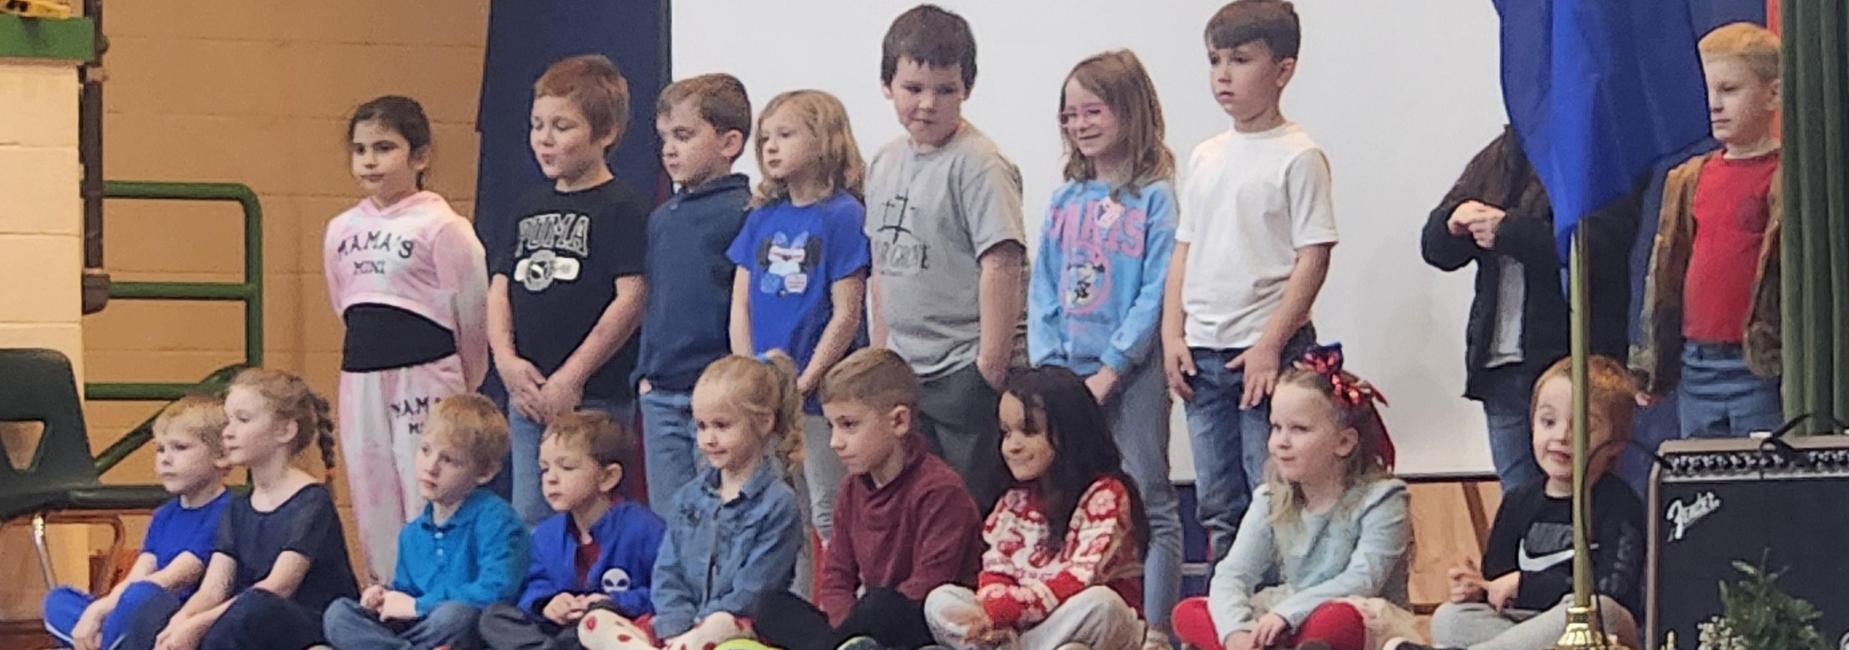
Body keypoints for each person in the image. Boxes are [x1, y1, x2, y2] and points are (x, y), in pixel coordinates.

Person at [1162, 0, 1332, 567]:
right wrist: (1171, 335)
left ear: (1283, 70)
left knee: (1275, 494)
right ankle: (1225, 611)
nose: (1224, 75)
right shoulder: (1207, 155)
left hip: (1262, 353)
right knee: (1217, 500)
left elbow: (1313, 256)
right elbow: (1184, 248)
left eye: (1240, 59)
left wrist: (1269, 344)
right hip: (1202, 351)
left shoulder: (1298, 155)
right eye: (1215, 60)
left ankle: (1275, 608)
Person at [1028, 48, 1183, 647]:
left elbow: (1155, 290)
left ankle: (1160, 629)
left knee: (1148, 494)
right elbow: (1043, 283)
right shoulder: (1066, 199)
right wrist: (1049, 369)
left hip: (1132, 372)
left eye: (1094, 110)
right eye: (1069, 115)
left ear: (1131, 112)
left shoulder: (1156, 198)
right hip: (1067, 371)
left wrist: (1114, 368)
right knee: (1068, 493)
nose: (1080, 124)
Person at [864, 4, 1027, 510]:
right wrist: (881, 358)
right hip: (907, 372)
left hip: (963, 369)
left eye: (945, 90)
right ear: (888, 84)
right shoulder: (884, 161)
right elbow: (881, 267)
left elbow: (1001, 264)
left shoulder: (979, 164)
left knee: (970, 508)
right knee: (918, 512)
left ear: (966, 90)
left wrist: (989, 369)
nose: (928, 104)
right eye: (914, 88)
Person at [325, 94, 489, 579]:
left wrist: (461, 383)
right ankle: (388, 590)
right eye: (360, 150)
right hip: (362, 379)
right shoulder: (340, 229)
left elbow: (472, 312)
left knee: (427, 483)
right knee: (371, 487)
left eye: (384, 147)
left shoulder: (443, 227)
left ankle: (439, 593)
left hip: (426, 375)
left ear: (419, 157)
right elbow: (345, 302)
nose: (370, 160)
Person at [1421, 126, 1637, 491]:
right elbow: (1435, 248)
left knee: (1583, 494)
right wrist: (1451, 223)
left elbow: (1599, 244)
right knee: (1519, 500)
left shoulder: (1599, 149)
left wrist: (1509, 230)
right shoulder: (1504, 151)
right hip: (1500, 365)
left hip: (1566, 362)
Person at [490, 54, 652, 525]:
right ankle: (543, 599)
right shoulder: (527, 207)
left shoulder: (623, 207)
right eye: (537, 124)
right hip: (529, 392)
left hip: (593, 393)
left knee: (594, 513)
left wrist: (573, 376)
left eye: (561, 126)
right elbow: (500, 287)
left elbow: (631, 298)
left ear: (605, 134)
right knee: (532, 514)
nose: (544, 138)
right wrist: (507, 362)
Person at [1385, 356, 1644, 650]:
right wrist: (1477, 590)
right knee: (1450, 618)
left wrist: (1526, 585)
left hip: (1588, 628)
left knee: (1599, 611)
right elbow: (1498, 581)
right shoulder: (1520, 500)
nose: (1561, 436)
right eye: (1548, 421)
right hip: (1525, 628)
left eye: (1582, 426)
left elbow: (1614, 588)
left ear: (1616, 443)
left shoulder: (1620, 502)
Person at [1171, 346, 1417, 650]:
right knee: (1190, 612)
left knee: (1336, 620)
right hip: (1286, 616)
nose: (1280, 443)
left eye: (1298, 429)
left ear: (1343, 442)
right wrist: (1237, 634)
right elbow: (1232, 574)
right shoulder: (1270, 498)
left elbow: (1362, 580)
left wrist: (1289, 614)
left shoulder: (1383, 498)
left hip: (1356, 616)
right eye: (1276, 428)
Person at [749, 348, 984, 650]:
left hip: (917, 623)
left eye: (849, 425)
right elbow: (836, 578)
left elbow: (927, 586)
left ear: (898, 421)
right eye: (832, 426)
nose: (835, 442)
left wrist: (855, 624)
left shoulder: (940, 490)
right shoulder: (851, 489)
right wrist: (847, 629)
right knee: (769, 606)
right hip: (862, 625)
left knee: (882, 603)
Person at [727, 88, 871, 548]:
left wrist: (806, 380)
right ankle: (793, 609)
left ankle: (837, 611)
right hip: (766, 395)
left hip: (816, 393)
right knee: (783, 514)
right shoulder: (762, 217)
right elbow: (741, 305)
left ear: (825, 141)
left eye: (785, 135)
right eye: (765, 137)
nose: (770, 146)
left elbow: (846, 312)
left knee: (826, 507)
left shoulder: (843, 215)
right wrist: (748, 375)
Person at [124, 370, 358, 650]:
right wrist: (180, 622)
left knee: (251, 606)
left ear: (285, 430)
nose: (228, 431)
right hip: (245, 618)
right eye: (228, 420)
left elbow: (279, 587)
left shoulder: (312, 501)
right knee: (153, 607)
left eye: (243, 420)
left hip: (303, 622)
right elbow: (214, 590)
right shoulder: (238, 506)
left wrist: (200, 625)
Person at [923, 366, 1150, 650]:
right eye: (1006, 433)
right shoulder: (1012, 499)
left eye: (1028, 431)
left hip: (1083, 620)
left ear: (1069, 433)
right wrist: (993, 607)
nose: (1012, 446)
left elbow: (1079, 579)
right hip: (1021, 625)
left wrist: (999, 612)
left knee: (1103, 604)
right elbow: (996, 570)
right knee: (941, 600)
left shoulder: (1107, 494)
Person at [1633, 22, 1785, 438]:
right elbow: (1664, 274)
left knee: (1761, 480)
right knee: (1704, 482)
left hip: (1759, 364)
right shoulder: (1690, 178)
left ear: (1772, 94)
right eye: (1709, 92)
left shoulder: (1785, 178)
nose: (1715, 105)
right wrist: (1654, 365)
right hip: (1697, 365)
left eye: (1730, 90)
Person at [634, 73, 754, 517]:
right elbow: (657, 301)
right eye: (664, 137)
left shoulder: (744, 212)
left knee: (723, 514)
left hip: (715, 393)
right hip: (662, 391)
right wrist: (646, 375)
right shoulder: (663, 217)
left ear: (729, 143)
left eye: (683, 136)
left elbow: (742, 306)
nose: (669, 149)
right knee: (673, 519)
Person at [322, 394, 527, 650]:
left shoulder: (496, 519)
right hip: (420, 632)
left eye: (449, 460)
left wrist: (418, 606)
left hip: (460, 629)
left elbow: (497, 590)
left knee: (456, 615)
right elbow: (406, 592)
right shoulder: (412, 532)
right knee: (338, 614)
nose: (431, 467)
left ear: (484, 472)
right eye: (426, 450)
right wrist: (384, 597)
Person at [43, 396, 231, 650]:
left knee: (142, 596)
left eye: (180, 447)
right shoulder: (164, 514)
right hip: (132, 621)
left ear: (221, 456)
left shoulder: (226, 511)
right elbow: (139, 572)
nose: (165, 459)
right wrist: (99, 609)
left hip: (176, 622)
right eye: (160, 449)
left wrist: (104, 610)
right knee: (57, 600)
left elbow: (172, 578)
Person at [476, 410, 668, 650]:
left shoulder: (644, 528)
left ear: (608, 478)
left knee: (599, 621)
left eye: (566, 467)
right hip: (561, 631)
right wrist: (547, 603)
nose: (550, 479)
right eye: (545, 469)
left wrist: (616, 601)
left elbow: (664, 591)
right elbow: (534, 583)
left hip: (613, 626)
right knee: (494, 617)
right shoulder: (545, 534)